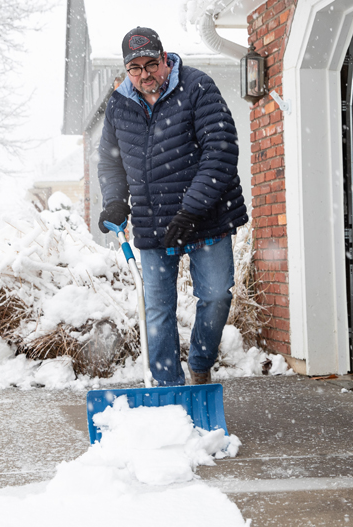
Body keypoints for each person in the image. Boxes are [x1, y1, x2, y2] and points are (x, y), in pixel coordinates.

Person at [97, 27, 247, 387]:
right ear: (127, 70)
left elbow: (220, 150)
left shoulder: (197, 87)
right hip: (153, 222)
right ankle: (168, 389)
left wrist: (192, 209)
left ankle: (200, 362)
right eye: (135, 67)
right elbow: (110, 162)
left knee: (214, 296)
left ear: (165, 58)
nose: (145, 74)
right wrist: (115, 201)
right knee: (158, 311)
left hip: (207, 216)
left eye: (151, 63)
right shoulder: (119, 103)